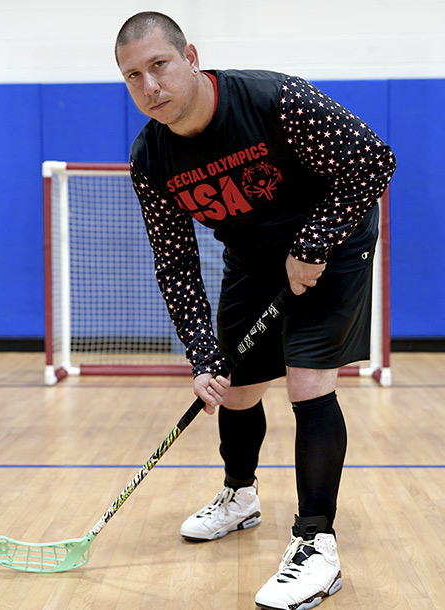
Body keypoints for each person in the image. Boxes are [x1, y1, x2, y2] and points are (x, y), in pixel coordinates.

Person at [115, 11, 396, 610]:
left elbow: (373, 161)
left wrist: (313, 244)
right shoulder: (151, 157)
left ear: (189, 55)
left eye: (158, 65)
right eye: (133, 76)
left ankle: (317, 545)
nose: (150, 87)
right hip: (251, 258)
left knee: (307, 386)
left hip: (332, 244)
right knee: (235, 389)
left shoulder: (273, 100)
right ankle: (239, 497)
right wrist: (201, 348)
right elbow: (175, 260)